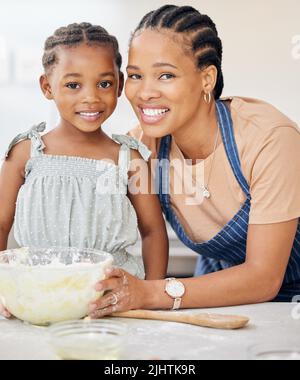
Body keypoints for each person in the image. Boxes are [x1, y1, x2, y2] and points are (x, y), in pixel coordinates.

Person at [88, 4, 300, 317]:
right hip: (218, 287)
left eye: (165, 75)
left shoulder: (269, 138)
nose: (145, 92)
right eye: (135, 75)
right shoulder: (142, 148)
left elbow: (263, 277)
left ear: (206, 78)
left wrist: (149, 292)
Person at [0, 22, 169, 317]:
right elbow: (1, 223)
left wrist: (150, 293)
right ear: (47, 87)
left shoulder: (129, 158)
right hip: (40, 300)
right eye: (73, 85)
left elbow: (153, 230)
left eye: (104, 83)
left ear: (118, 84)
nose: (90, 97)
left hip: (111, 304)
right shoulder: (27, 152)